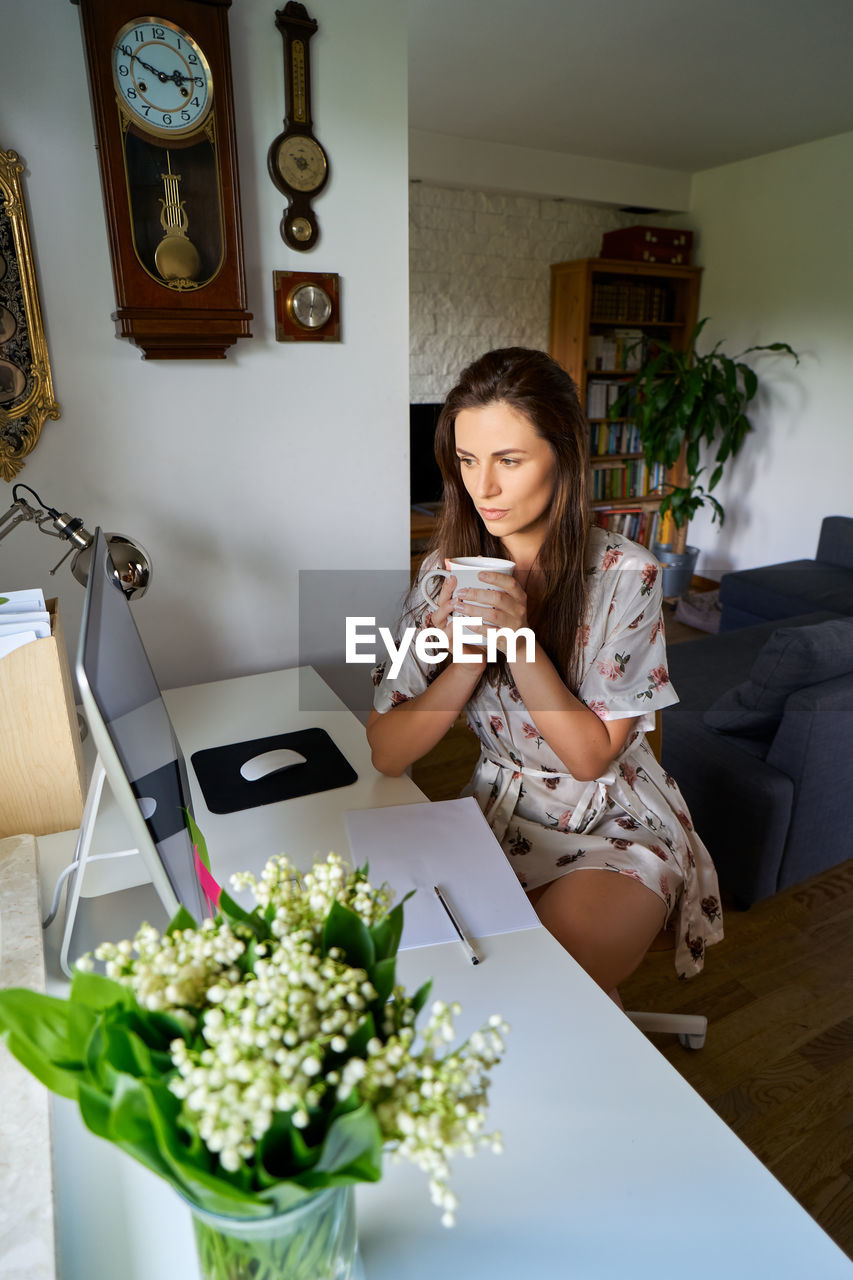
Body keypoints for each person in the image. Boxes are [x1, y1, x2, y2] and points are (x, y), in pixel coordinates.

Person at [367, 347, 723, 1002]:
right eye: (467, 461)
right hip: (495, 805)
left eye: (508, 459)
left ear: (563, 458)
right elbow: (387, 752)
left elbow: (590, 760)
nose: (484, 488)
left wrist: (518, 639)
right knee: (425, 970)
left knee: (541, 988)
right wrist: (468, 656)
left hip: (614, 820)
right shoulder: (444, 571)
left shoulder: (626, 575)